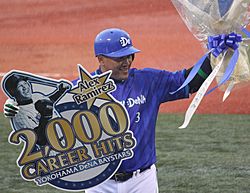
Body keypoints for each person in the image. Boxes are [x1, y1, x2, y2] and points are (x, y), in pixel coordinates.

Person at [4, 28, 212, 192]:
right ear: (100, 59)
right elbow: (43, 123)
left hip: (142, 181)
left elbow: (188, 81)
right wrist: (17, 107)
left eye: (130, 55)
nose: (127, 61)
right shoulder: (79, 90)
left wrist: (215, 57)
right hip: (98, 183)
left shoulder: (148, 81)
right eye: (120, 57)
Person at [3, 74, 70, 146]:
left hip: (68, 139)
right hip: (53, 149)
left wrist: (61, 90)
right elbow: (40, 140)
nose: (25, 87)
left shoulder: (36, 96)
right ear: (13, 92)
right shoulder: (20, 116)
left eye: (25, 83)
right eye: (20, 86)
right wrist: (45, 117)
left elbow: (50, 101)